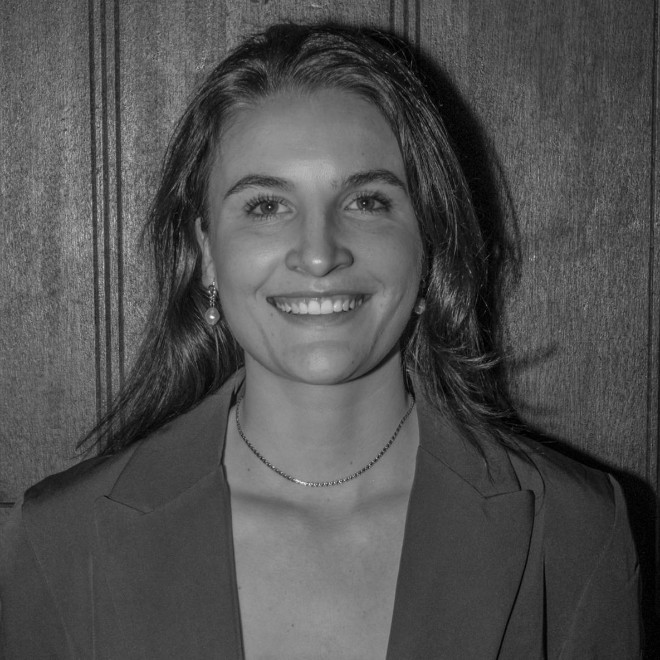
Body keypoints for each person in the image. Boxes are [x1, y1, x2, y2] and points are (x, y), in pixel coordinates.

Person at [0, 23, 641, 659]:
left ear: (427, 241)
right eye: (265, 206)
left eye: (367, 201)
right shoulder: (61, 539)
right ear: (207, 253)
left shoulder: (575, 529)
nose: (318, 253)